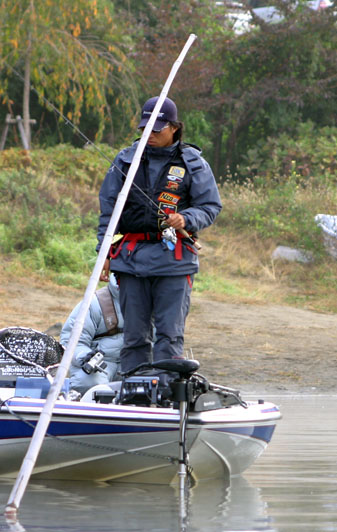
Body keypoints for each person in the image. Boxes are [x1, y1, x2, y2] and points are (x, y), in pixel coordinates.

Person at [97, 96, 222, 375]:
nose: (149, 135)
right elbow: (109, 210)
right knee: (134, 336)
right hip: (130, 260)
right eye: (145, 129)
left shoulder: (194, 163)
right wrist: (104, 253)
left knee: (169, 335)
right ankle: (134, 393)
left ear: (175, 128)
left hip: (174, 262)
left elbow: (211, 206)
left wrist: (186, 218)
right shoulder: (125, 160)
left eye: (157, 129)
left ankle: (165, 394)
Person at [60, 274, 124, 393]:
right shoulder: (95, 302)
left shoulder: (156, 303)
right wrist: (85, 356)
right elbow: (71, 341)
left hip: (135, 364)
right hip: (101, 365)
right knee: (88, 383)